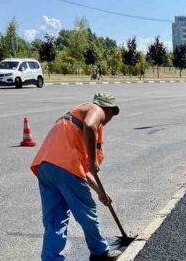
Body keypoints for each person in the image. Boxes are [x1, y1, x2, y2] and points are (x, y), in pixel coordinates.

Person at [31, 91, 121, 261]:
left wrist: (100, 192)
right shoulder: (96, 110)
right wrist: (94, 159)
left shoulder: (74, 117)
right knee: (87, 211)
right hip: (65, 166)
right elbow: (90, 125)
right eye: (111, 114)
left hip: (45, 167)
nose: (108, 118)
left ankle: (51, 258)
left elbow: (85, 171)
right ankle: (100, 252)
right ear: (108, 109)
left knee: (55, 218)